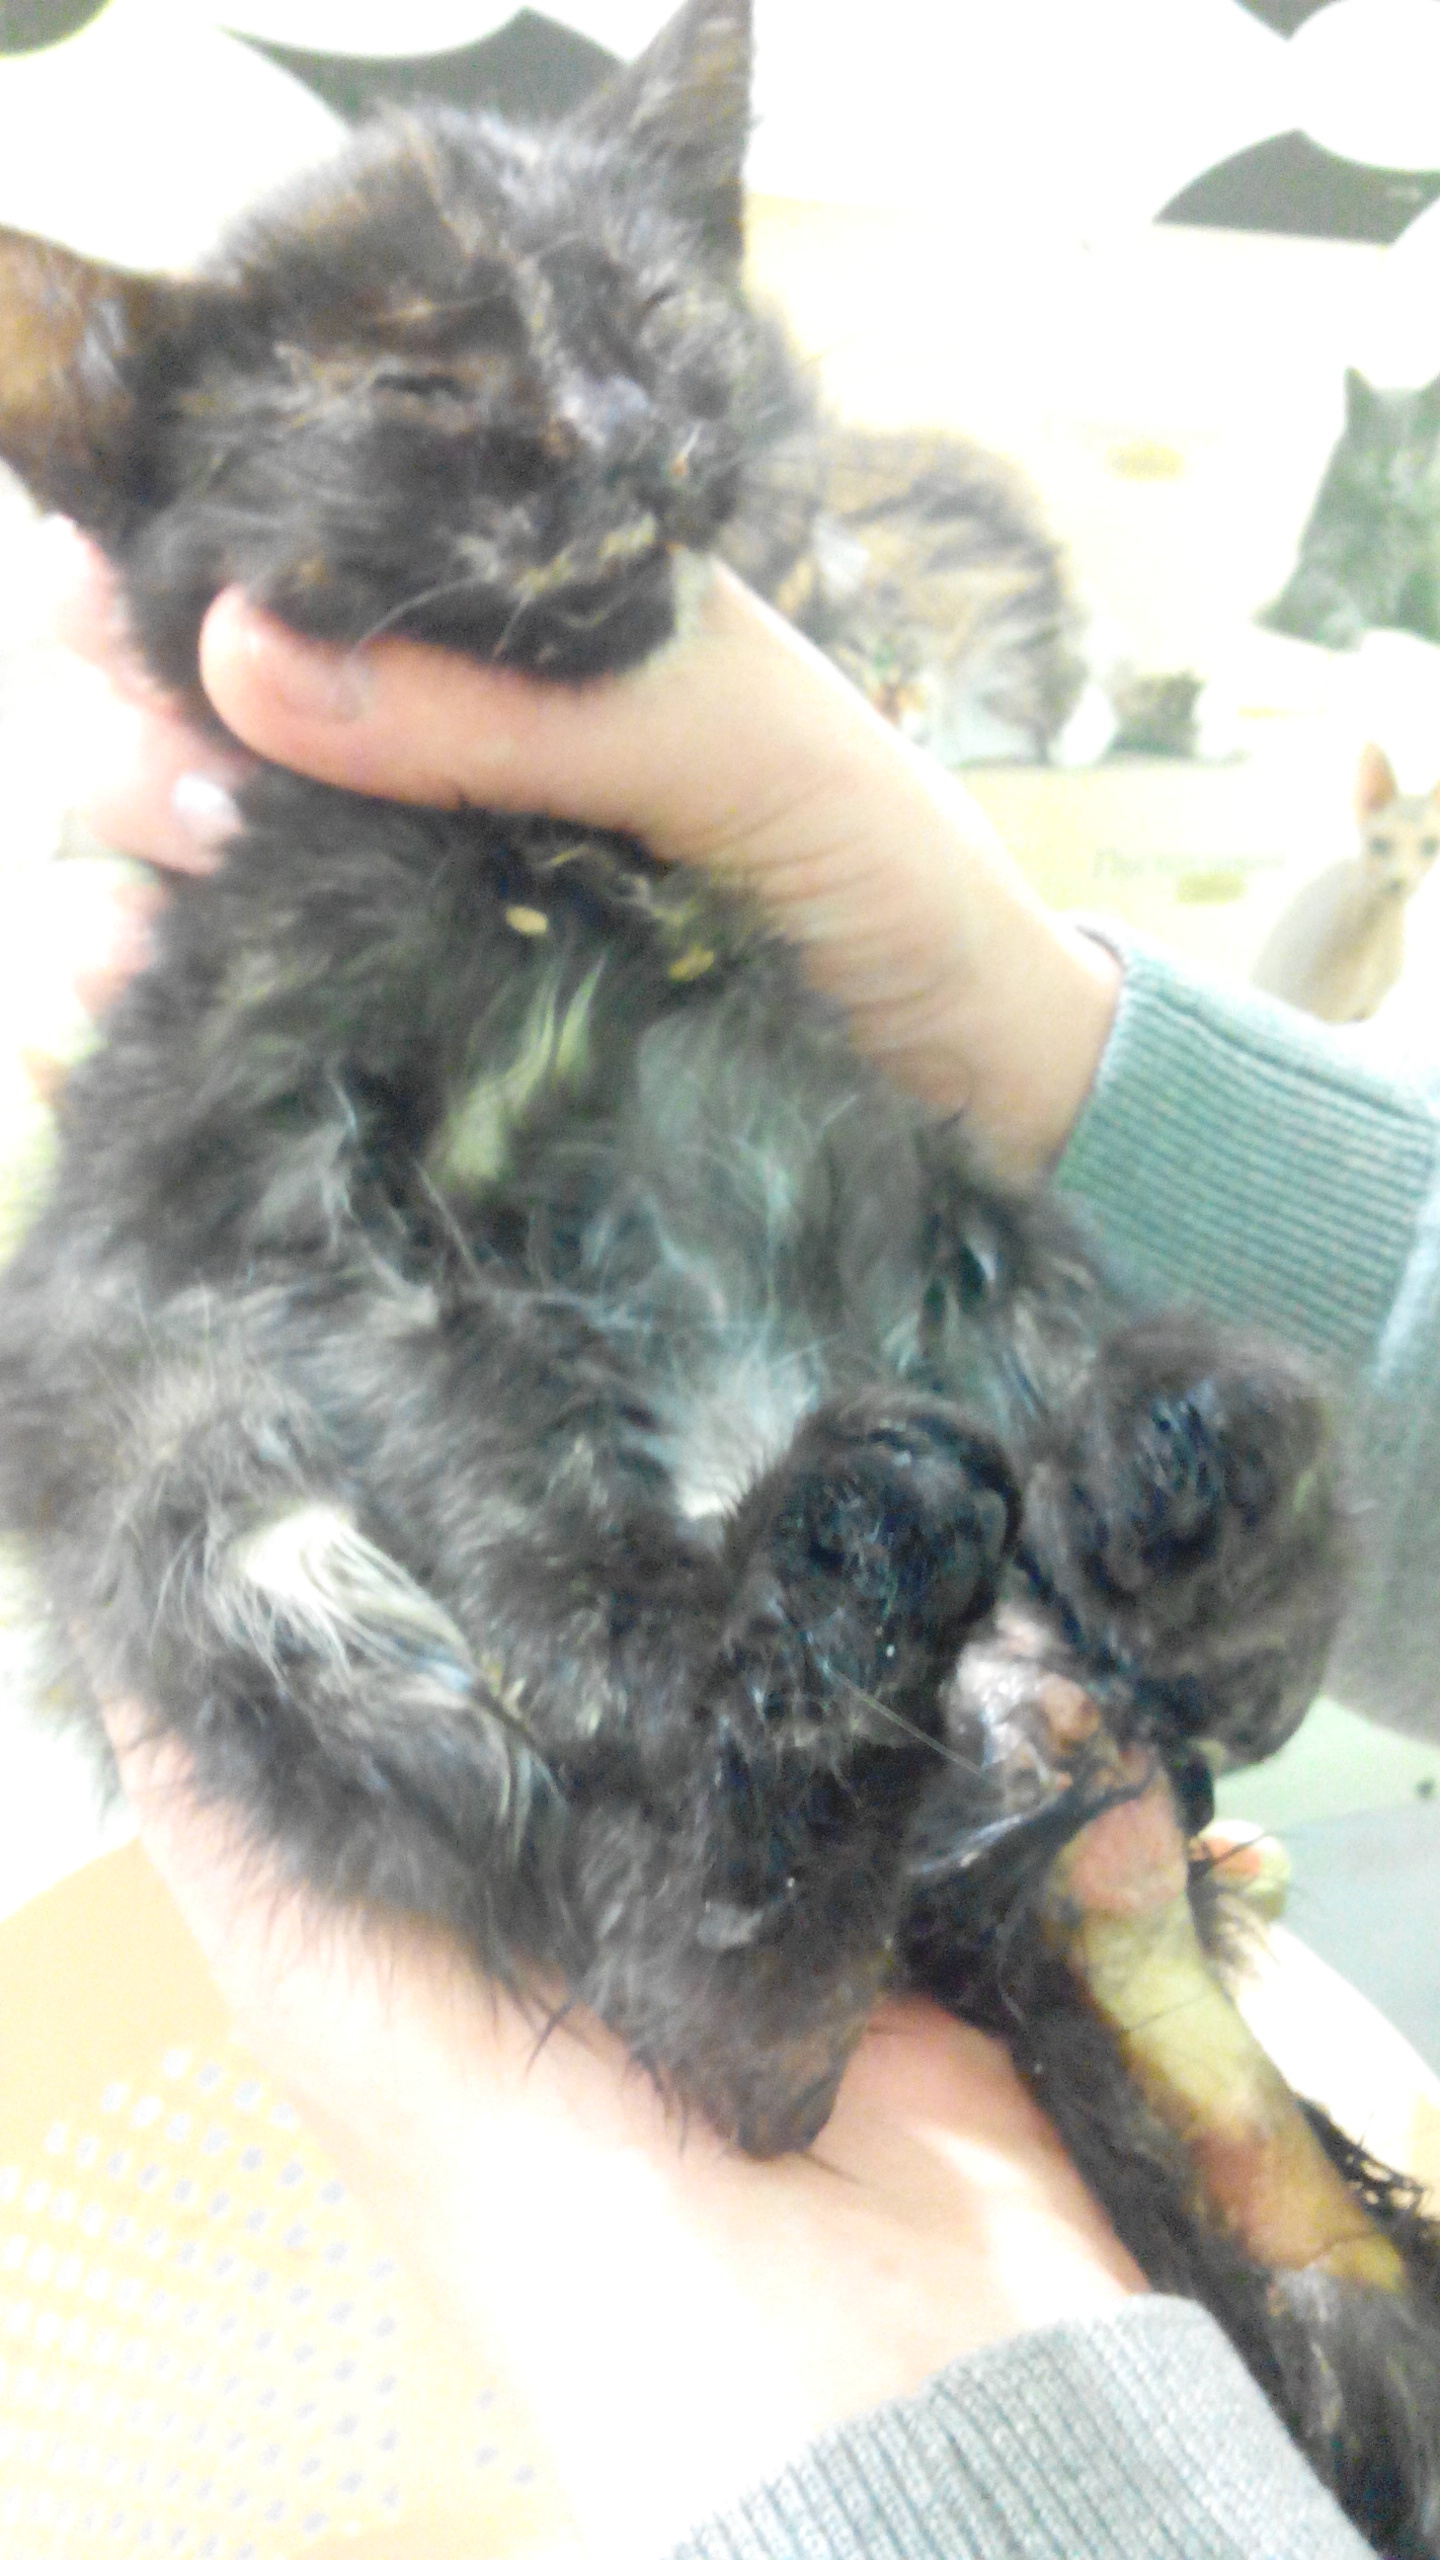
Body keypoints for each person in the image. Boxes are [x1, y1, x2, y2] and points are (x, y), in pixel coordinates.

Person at [25, 518, 1420, 2558]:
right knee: (208, 1465)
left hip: (845, 1656)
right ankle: (740, 1884)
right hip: (675, 1685)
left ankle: (796, 1841)